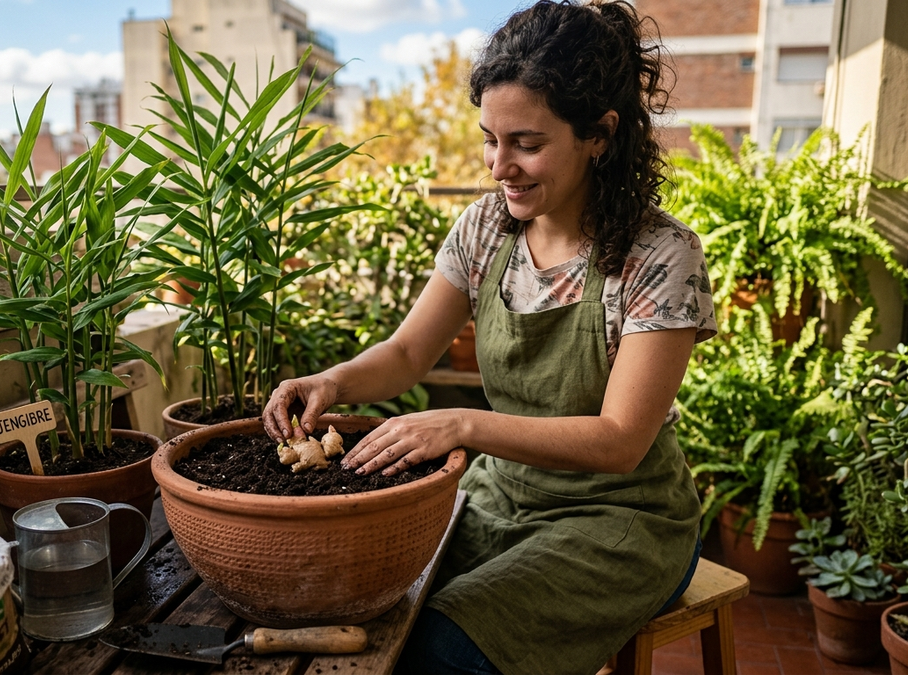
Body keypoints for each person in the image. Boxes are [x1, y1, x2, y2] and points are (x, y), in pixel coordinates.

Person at [263, 1, 717, 673]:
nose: (499, 165)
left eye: (526, 144)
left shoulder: (660, 256)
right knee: (375, 601)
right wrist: (333, 381)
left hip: (623, 521)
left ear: (599, 134)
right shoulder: (485, 229)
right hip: (505, 495)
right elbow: (409, 353)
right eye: (490, 139)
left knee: (442, 645)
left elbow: (621, 440)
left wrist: (462, 425)